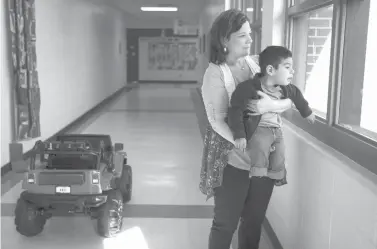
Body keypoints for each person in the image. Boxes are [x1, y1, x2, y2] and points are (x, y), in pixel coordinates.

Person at [199, 9, 295, 249]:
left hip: (264, 158)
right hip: (232, 159)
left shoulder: (257, 65)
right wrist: (244, 140)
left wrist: (272, 104)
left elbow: (290, 97)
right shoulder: (214, 75)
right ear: (224, 39)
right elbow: (217, 121)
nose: (250, 40)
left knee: (254, 221)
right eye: (243, 35)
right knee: (225, 224)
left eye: (250, 34)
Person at [228, 45, 315, 189]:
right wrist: (239, 135)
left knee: (280, 153)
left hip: (276, 129)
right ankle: (258, 176)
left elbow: (297, 96)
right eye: (287, 67)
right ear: (270, 70)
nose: (292, 71)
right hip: (258, 129)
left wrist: (307, 112)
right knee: (260, 149)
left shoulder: (286, 88)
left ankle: (277, 176)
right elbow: (235, 110)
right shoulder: (248, 88)